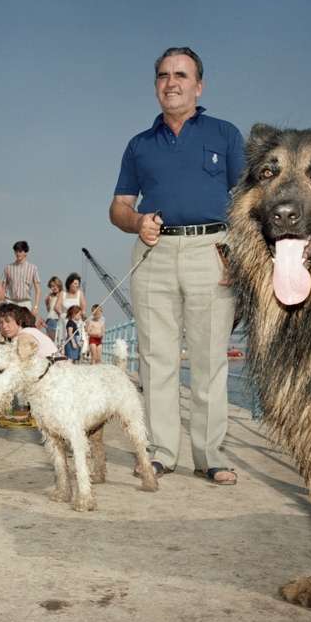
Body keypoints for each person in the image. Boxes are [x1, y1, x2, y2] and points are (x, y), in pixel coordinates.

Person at [109, 46, 245, 485]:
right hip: (155, 253)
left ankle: (211, 456)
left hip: (213, 252)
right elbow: (119, 207)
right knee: (156, 358)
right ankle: (162, 451)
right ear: (156, 86)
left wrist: (238, 258)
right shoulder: (138, 145)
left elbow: (247, 202)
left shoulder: (225, 135)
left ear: (198, 85)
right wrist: (137, 222)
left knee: (209, 360)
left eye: (182, 75)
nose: (172, 83)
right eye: (164, 75)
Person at [3, 241, 42, 320]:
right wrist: (3, 303)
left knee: (25, 327)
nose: (18, 254)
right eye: (16, 251)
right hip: (11, 302)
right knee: (11, 328)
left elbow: (38, 289)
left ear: (25, 252)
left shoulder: (33, 268)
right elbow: (2, 287)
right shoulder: (8, 268)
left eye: (20, 251)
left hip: (25, 302)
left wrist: (36, 307)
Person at [44, 276, 63, 341]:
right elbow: (49, 310)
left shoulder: (62, 294)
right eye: (52, 286)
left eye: (55, 285)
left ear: (59, 285)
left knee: (58, 341)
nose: (54, 288)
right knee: (52, 341)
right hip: (50, 320)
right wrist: (47, 302)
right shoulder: (50, 296)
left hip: (58, 320)